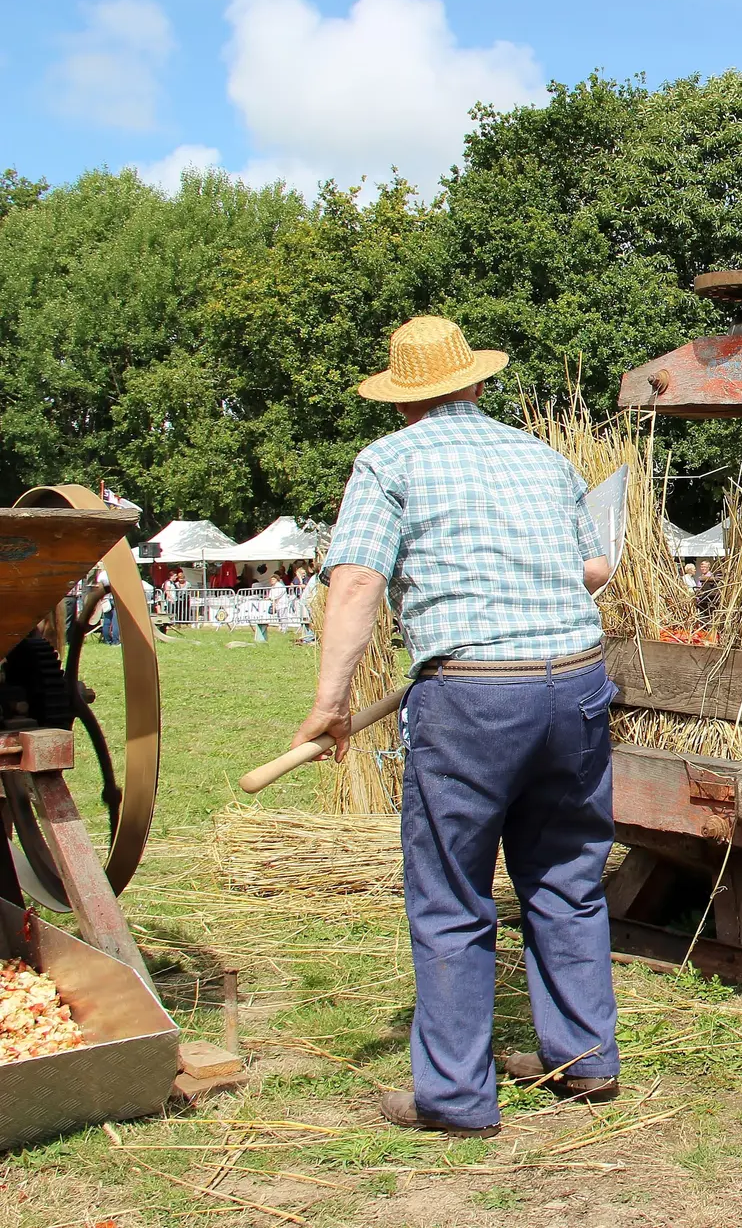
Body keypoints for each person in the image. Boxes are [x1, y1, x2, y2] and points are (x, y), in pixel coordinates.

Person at [286, 315, 619, 1137]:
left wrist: (330, 703)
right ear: (474, 381)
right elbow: (595, 568)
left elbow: (358, 578)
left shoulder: (390, 460)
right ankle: (585, 1061)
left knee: (452, 893)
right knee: (568, 876)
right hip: (575, 682)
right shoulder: (540, 456)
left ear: (406, 400)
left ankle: (456, 1097)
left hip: (472, 694)